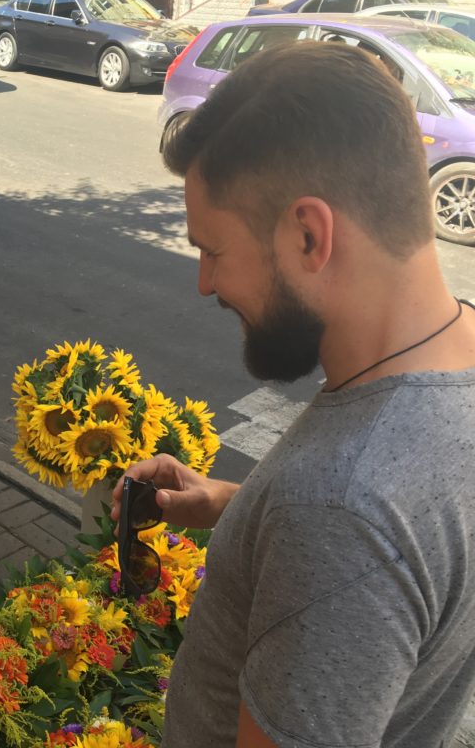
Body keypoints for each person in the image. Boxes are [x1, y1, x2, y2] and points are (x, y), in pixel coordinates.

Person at [113, 42, 475, 747]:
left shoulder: (340, 506)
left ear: (309, 235)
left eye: (212, 249)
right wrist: (236, 506)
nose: (205, 284)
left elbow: (355, 521)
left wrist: (303, 521)